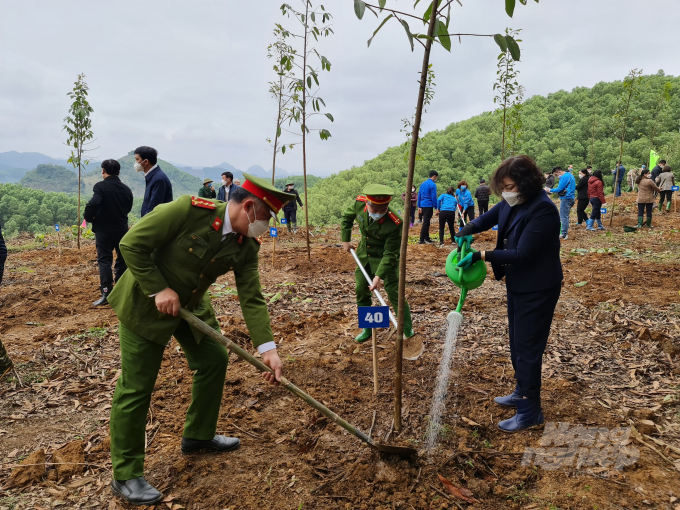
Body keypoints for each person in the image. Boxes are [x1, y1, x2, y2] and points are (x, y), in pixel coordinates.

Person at [106, 173, 292, 505]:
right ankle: (126, 473)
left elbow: (251, 296)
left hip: (190, 305)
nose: (266, 226)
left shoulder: (246, 245)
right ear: (248, 207)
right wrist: (158, 288)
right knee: (137, 387)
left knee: (213, 359)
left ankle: (198, 436)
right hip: (145, 303)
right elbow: (131, 244)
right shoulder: (188, 211)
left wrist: (268, 349)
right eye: (266, 218)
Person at [454, 155, 562, 432]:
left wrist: (482, 254)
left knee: (527, 347)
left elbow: (522, 254)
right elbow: (486, 219)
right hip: (518, 284)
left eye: (511, 186)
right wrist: (467, 230)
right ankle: (521, 390)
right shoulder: (512, 201)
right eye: (503, 186)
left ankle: (530, 410)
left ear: (526, 184)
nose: (506, 192)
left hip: (538, 287)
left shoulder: (543, 210)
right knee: (517, 343)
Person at [341, 184, 414, 343]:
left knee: (395, 293)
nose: (379, 213)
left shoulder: (396, 222)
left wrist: (379, 276)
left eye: (383, 209)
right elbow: (346, 218)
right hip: (364, 256)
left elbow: (390, 253)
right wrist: (346, 239)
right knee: (361, 290)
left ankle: (407, 329)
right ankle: (367, 329)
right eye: (375, 209)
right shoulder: (359, 204)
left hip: (385, 260)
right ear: (367, 203)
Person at [83, 159, 134, 306]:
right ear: (118, 172)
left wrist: (89, 217)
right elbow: (128, 207)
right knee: (122, 259)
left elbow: (93, 203)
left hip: (104, 230)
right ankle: (121, 290)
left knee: (104, 260)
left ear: (103, 171)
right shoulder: (126, 189)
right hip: (122, 229)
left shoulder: (100, 186)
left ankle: (106, 293)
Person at [135, 146, 172, 217]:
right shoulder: (153, 176)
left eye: (137, 159)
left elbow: (153, 208)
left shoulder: (158, 179)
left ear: (145, 161)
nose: (136, 163)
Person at [547, 166, 575, 240]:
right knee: (566, 216)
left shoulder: (564, 177)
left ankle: (563, 234)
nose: (557, 177)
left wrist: (549, 190)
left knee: (563, 217)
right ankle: (564, 233)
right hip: (571, 198)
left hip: (566, 198)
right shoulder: (570, 175)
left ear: (559, 172)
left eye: (556, 175)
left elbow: (559, 188)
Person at [417, 171, 439, 244]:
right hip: (428, 205)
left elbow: (419, 195)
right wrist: (436, 207)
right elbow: (433, 196)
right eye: (436, 177)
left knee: (426, 221)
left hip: (422, 205)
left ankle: (427, 238)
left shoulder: (423, 184)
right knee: (426, 223)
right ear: (434, 176)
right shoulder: (432, 185)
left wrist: (419, 206)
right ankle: (421, 240)